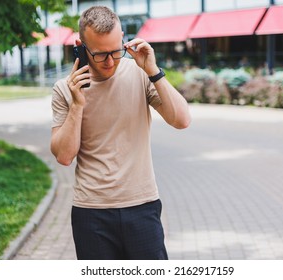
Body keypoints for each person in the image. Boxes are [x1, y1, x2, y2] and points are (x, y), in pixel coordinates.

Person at [50, 6, 191, 260]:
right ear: (81, 46)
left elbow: (181, 120)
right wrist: (78, 104)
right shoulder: (65, 89)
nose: (110, 61)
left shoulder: (140, 73)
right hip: (91, 212)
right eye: (100, 54)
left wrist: (153, 71)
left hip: (142, 205)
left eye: (116, 51)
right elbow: (64, 156)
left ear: (124, 39)